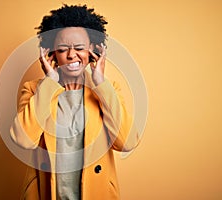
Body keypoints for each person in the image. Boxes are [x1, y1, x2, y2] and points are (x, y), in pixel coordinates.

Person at [10, 4, 140, 200]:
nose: (71, 55)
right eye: (62, 49)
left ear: (92, 51)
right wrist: (50, 83)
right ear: (51, 53)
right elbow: (23, 140)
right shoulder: (34, 90)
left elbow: (127, 143)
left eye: (79, 48)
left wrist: (100, 84)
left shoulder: (108, 89)